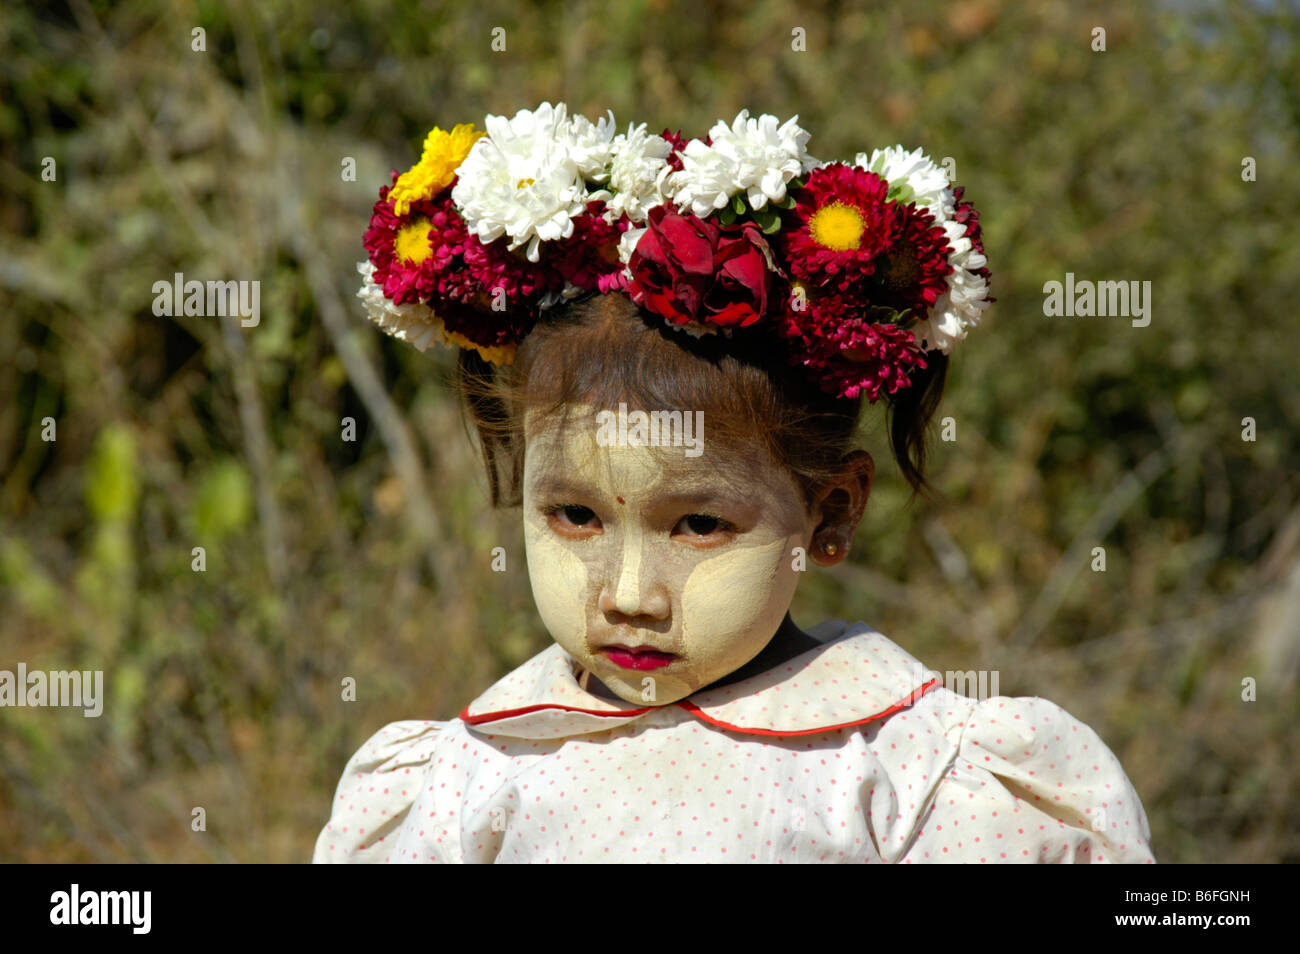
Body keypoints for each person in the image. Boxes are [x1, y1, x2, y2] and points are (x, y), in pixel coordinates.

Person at [313, 103, 1155, 863]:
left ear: (831, 511)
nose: (631, 595)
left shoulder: (918, 776)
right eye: (574, 514)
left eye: (700, 526)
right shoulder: (465, 777)